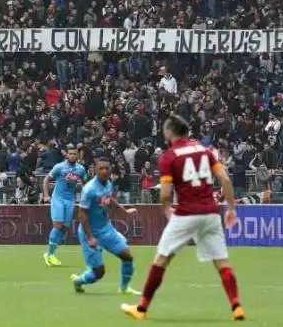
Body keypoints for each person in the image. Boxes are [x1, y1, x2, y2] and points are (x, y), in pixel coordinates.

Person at [122, 114, 244, 322]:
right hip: (210, 214)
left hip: (186, 213)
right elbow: (224, 179)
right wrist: (231, 208)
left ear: (169, 132)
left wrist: (166, 208)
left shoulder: (169, 156)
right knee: (222, 262)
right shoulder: (206, 151)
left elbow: (165, 193)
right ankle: (236, 306)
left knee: (161, 259)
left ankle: (141, 308)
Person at [70, 156, 140, 295]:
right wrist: (90, 237)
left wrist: (124, 210)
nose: (104, 171)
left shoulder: (108, 183)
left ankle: (124, 288)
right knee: (99, 273)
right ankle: (78, 281)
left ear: (110, 169)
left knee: (127, 257)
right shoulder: (89, 189)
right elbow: (81, 214)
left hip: (106, 229)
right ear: (95, 170)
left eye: (106, 168)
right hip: (91, 233)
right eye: (100, 168)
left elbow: (110, 197)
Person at [43, 144, 87, 266]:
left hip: (70, 200)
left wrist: (80, 188)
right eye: (70, 154)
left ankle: (51, 252)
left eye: (74, 154)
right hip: (58, 198)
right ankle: (50, 254)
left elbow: (84, 183)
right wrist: (46, 195)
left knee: (65, 227)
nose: (72, 156)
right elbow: (46, 179)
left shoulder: (81, 169)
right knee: (58, 225)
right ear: (67, 155)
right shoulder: (59, 167)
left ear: (78, 155)